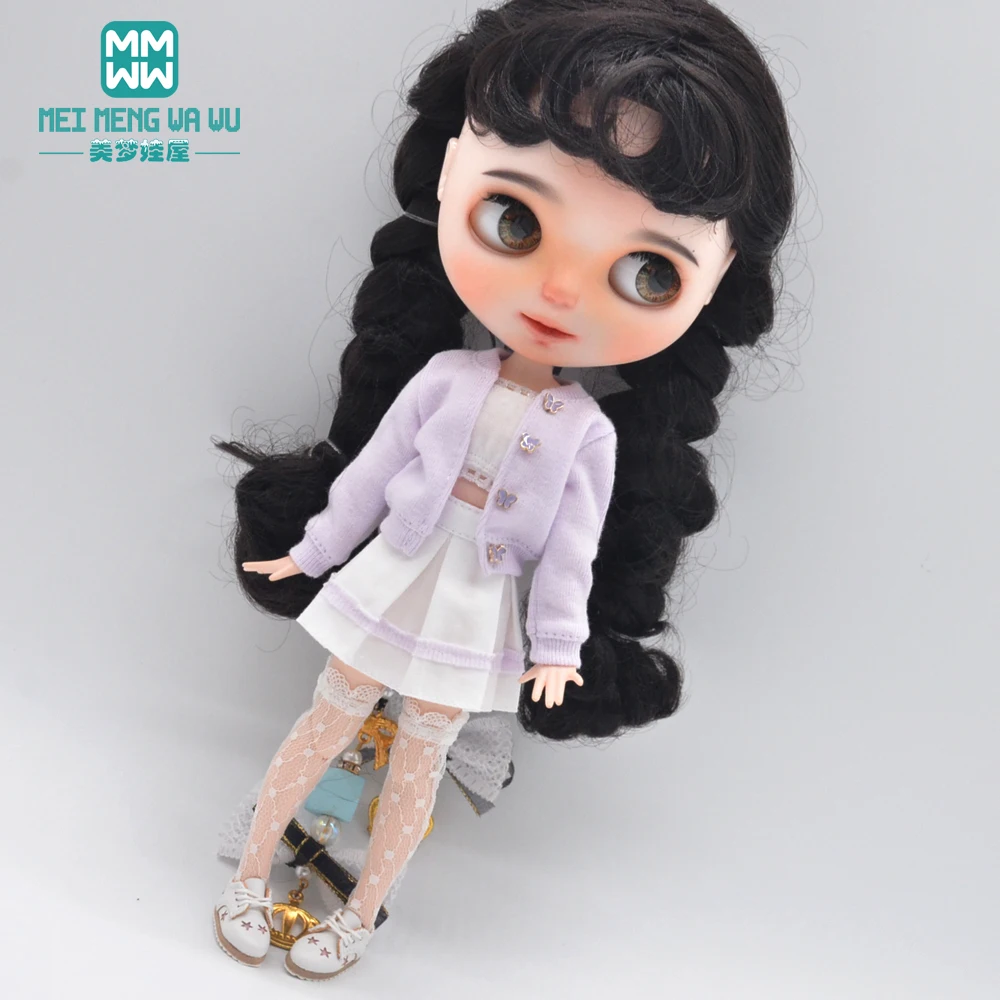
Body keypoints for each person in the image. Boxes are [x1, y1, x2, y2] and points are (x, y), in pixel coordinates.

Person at [213, 0, 797, 979]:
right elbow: (368, 475)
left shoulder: (590, 436)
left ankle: (357, 912)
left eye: (648, 273)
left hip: (476, 608)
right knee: (326, 723)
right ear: (451, 170)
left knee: (418, 762)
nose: (561, 292)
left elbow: (571, 554)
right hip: (396, 573)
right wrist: (310, 551)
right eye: (515, 220)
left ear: (717, 278)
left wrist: (560, 650)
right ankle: (252, 875)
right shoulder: (440, 378)